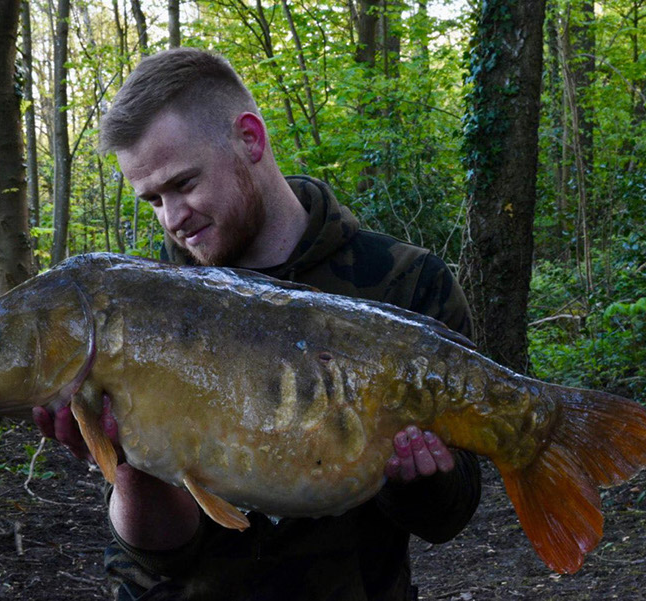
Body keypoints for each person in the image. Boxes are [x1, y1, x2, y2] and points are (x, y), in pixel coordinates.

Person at [34, 48, 481, 601]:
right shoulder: (129, 311)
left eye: (184, 184)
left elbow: (448, 519)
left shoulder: (406, 284)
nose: (173, 220)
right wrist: (127, 464)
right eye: (153, 200)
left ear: (250, 139)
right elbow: (164, 555)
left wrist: (415, 478)